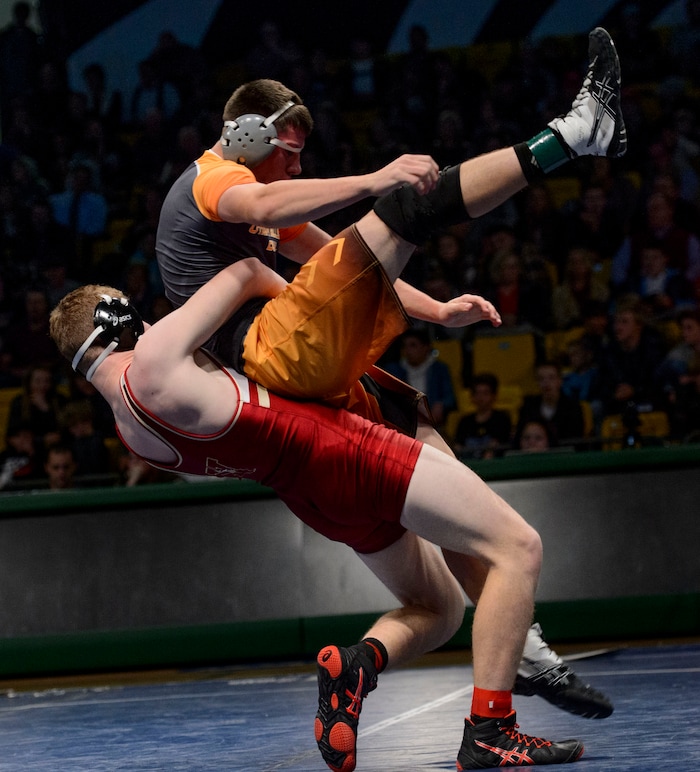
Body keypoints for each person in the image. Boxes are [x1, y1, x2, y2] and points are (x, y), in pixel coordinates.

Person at [154, 26, 621, 728]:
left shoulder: (263, 201)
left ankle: (520, 645)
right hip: (271, 354)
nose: (292, 167)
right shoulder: (217, 179)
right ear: (246, 133)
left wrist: (438, 309)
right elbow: (266, 206)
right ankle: (575, 132)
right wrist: (374, 181)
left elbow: (348, 257)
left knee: (425, 440)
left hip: (292, 377)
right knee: (404, 205)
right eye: (288, 152)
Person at [51, 240, 585, 771]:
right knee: (517, 547)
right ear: (120, 321)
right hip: (341, 450)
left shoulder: (129, 434)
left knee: (439, 609)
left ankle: (356, 667)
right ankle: (491, 730)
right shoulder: (152, 359)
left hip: (311, 498)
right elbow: (248, 270)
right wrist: (308, 321)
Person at [383, 328, 456, 430]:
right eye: (404, 346)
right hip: (404, 422)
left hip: (433, 421)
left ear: (426, 347)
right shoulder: (393, 370)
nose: (408, 350)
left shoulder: (439, 369)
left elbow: (450, 398)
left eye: (413, 345)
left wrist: (441, 404)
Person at [514, 362, 585, 448]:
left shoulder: (573, 407)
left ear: (560, 381)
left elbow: (575, 440)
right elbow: (520, 435)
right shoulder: (528, 405)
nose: (546, 383)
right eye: (541, 379)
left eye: (551, 378)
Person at [453, 372, 512, 459]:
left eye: (485, 393)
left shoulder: (502, 419)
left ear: (494, 396)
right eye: (477, 393)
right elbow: (458, 446)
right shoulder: (464, 422)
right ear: (472, 397)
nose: (481, 398)